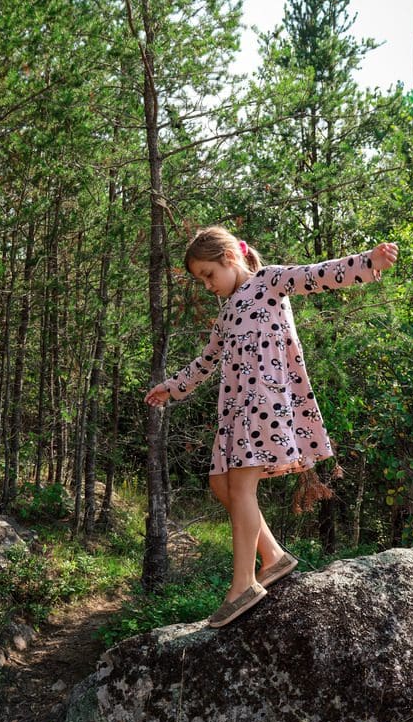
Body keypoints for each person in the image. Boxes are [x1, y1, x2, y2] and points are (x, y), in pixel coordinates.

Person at [145, 226, 398, 628]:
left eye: (209, 274)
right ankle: (274, 556)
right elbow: (207, 361)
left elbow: (317, 274)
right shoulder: (227, 313)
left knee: (242, 487)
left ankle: (243, 583)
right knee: (220, 484)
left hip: (265, 402)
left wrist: (368, 262)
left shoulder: (269, 281)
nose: (207, 285)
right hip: (234, 410)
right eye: (201, 280)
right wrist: (171, 388)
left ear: (230, 257)